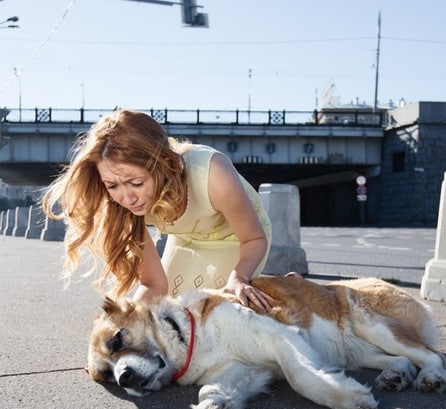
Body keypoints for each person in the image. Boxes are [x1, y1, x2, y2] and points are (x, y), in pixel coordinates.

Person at [42, 109, 274, 312]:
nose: (127, 197)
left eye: (136, 182)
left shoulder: (214, 173)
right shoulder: (120, 203)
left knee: (212, 317)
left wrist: (239, 278)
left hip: (240, 239)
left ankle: (286, 289)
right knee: (169, 312)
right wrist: (121, 328)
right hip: (186, 240)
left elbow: (254, 238)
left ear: (162, 164)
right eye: (112, 185)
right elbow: (154, 284)